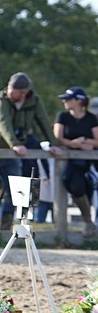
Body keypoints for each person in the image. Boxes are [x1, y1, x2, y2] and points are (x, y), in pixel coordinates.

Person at [0, 72, 60, 233]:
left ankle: (5, 229)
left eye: (14, 90)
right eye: (9, 88)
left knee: (15, 188)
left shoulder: (34, 102)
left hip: (13, 150)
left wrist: (54, 144)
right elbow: (4, 123)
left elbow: (43, 121)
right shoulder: (1, 100)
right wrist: (15, 144)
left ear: (24, 92)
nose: (9, 92)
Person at [53, 86, 98, 237]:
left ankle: (89, 223)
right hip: (71, 160)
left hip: (88, 161)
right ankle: (87, 219)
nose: (65, 101)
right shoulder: (63, 116)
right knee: (73, 184)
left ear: (79, 101)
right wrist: (72, 144)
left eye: (68, 99)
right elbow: (58, 136)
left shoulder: (91, 118)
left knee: (86, 187)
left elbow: (96, 141)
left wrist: (84, 141)